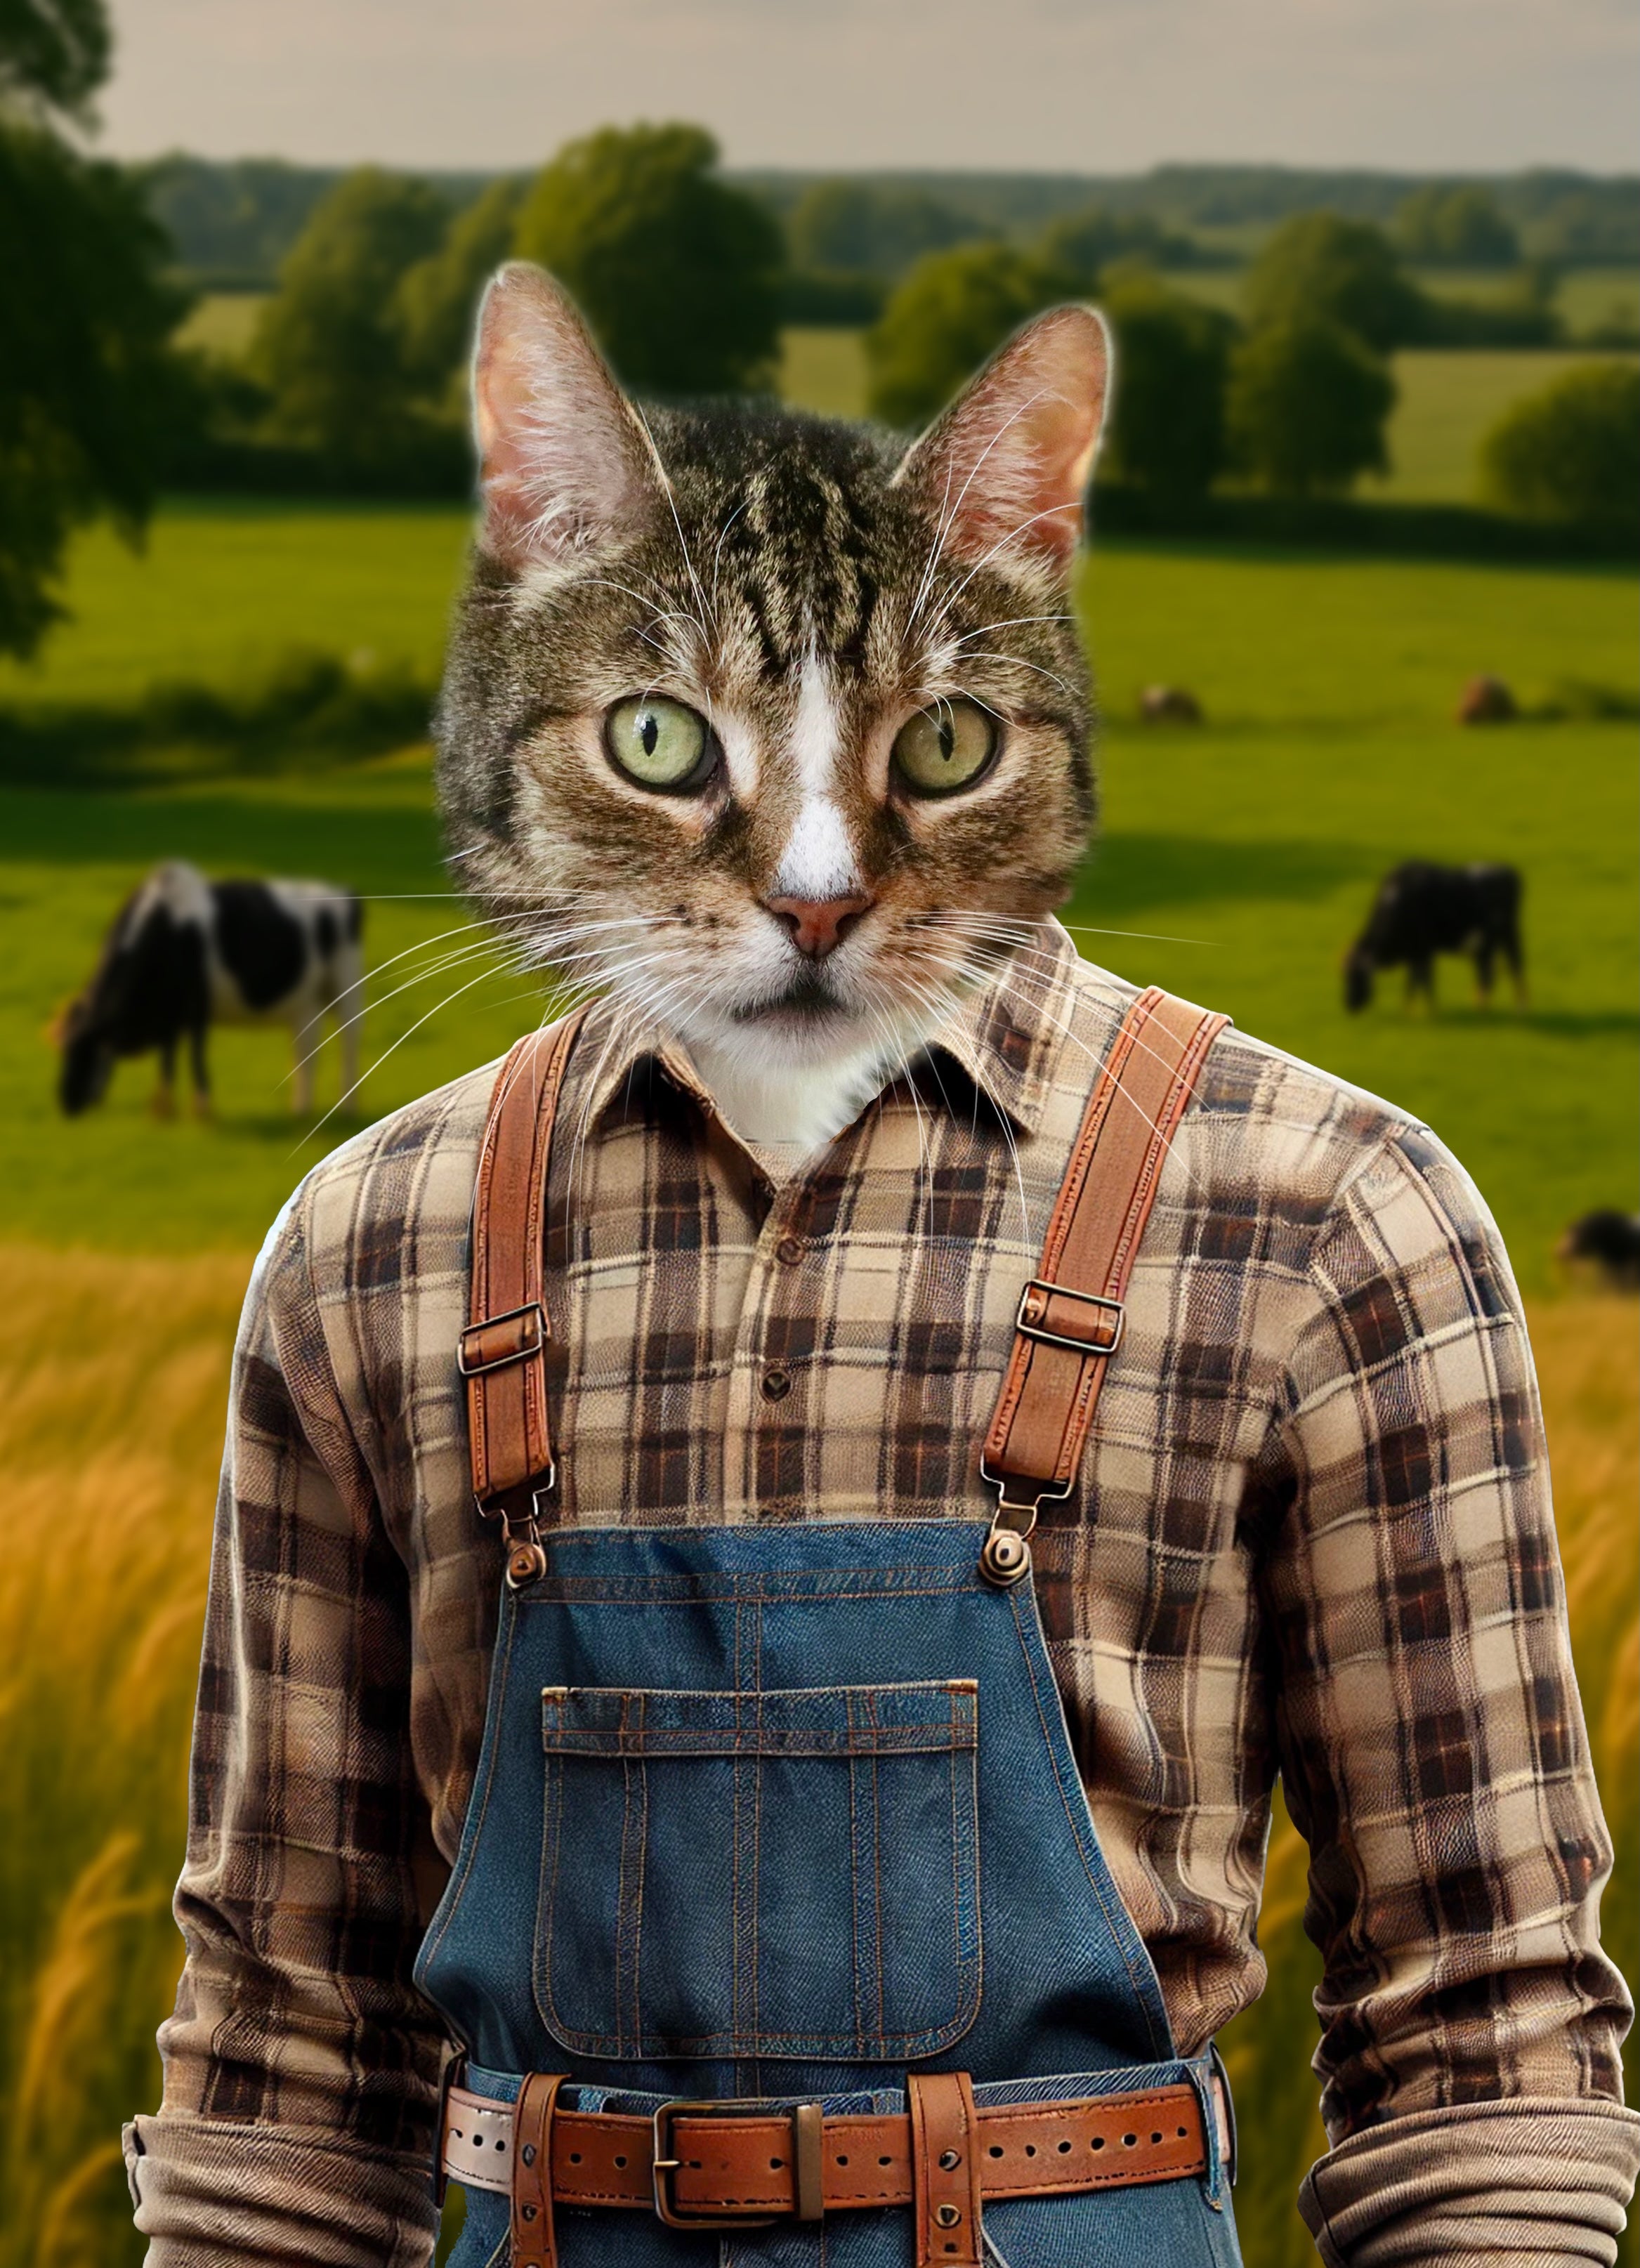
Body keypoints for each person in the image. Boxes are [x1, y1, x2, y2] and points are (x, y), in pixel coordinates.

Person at [125, 272, 1638, 2267]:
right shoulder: (368, 1250)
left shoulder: (1336, 1215)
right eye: (671, 740)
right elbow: (283, 2087)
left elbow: (1485, 2053)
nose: (819, 879)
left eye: (939, 744)